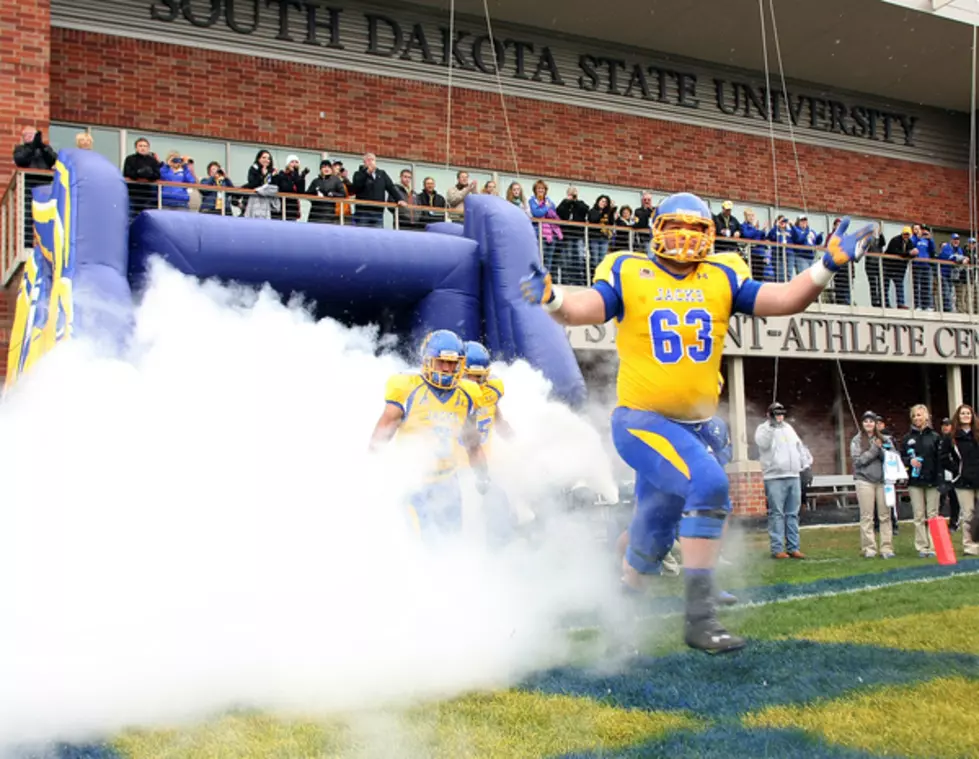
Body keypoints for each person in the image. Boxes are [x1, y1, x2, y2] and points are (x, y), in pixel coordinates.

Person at [519, 191, 873, 653]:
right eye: (675, 227)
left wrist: (825, 265)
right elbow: (587, 307)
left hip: (692, 426)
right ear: (656, 232)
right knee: (708, 484)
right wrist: (554, 297)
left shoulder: (723, 274)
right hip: (641, 421)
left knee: (653, 530)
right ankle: (700, 617)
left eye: (695, 227)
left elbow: (785, 299)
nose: (685, 237)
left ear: (709, 234)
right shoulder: (629, 270)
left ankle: (619, 624)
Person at [369, 330, 490, 540]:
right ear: (427, 360)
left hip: (448, 482)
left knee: (451, 541)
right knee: (422, 541)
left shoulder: (468, 394)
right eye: (441, 362)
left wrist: (482, 474)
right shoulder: (407, 388)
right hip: (414, 481)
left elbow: (472, 443)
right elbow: (381, 435)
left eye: (453, 364)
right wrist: (371, 470)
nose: (447, 368)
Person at [463, 341, 516, 544]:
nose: (476, 382)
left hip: (484, 465)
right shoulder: (458, 395)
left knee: (500, 516)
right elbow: (470, 442)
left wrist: (516, 442)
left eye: (480, 376)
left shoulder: (491, 389)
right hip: (462, 469)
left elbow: (496, 416)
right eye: (471, 376)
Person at [756, 402, 812, 560]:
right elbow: (763, 443)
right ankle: (777, 548)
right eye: (776, 413)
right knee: (777, 514)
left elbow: (799, 447)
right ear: (769, 414)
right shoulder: (763, 429)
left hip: (793, 475)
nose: (779, 416)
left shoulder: (788, 428)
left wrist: (805, 466)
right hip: (774, 477)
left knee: (792, 514)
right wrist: (771, 426)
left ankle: (794, 547)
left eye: (781, 413)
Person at [900, 404, 943, 558]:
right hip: (915, 482)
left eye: (919, 415)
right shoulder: (907, 438)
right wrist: (909, 462)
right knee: (918, 515)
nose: (917, 418)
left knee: (933, 514)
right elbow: (901, 458)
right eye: (914, 416)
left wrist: (941, 479)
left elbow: (940, 459)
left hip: (932, 480)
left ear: (926, 416)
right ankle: (922, 546)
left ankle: (933, 546)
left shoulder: (935, 437)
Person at [851, 410, 894, 559]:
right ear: (862, 424)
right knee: (867, 516)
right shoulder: (857, 440)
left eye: (871, 421)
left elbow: (893, 458)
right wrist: (875, 449)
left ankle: (886, 548)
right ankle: (869, 548)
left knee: (885, 515)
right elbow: (858, 461)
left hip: (883, 481)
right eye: (866, 421)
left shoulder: (886, 439)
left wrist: (882, 449)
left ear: (876, 423)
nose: (868, 424)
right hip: (864, 481)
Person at [945, 404, 979, 556]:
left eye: (968, 413)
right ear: (958, 416)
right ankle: (969, 546)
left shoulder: (977, 434)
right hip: (963, 481)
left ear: (972, 416)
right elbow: (943, 458)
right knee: (968, 515)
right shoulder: (952, 436)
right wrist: (957, 471)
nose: (965, 415)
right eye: (962, 413)